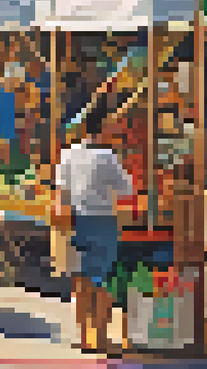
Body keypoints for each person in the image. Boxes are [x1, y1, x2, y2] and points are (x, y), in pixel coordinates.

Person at [55, 114, 133, 353]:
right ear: (103, 129)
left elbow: (60, 189)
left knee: (80, 280)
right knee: (102, 282)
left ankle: (82, 335)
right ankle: (99, 337)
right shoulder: (106, 156)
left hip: (74, 221)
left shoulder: (68, 154)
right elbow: (126, 188)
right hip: (101, 220)